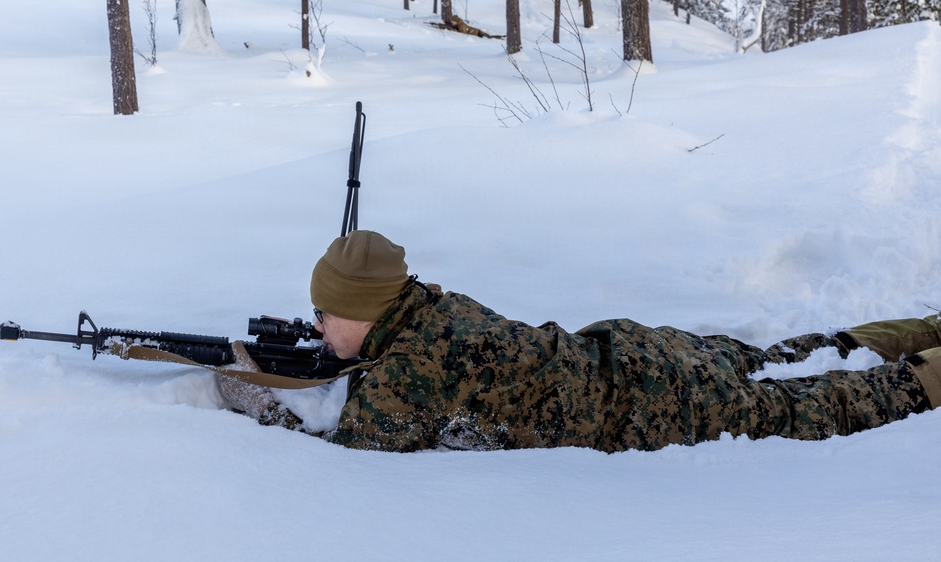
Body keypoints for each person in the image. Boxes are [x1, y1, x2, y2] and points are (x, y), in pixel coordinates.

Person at [218, 230, 941, 453]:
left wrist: (251, 392)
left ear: (369, 309)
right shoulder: (431, 307)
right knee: (791, 351)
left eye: (324, 311)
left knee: (820, 403)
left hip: (656, 405)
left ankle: (928, 371)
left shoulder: (417, 367)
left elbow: (355, 447)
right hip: (640, 350)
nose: (314, 323)